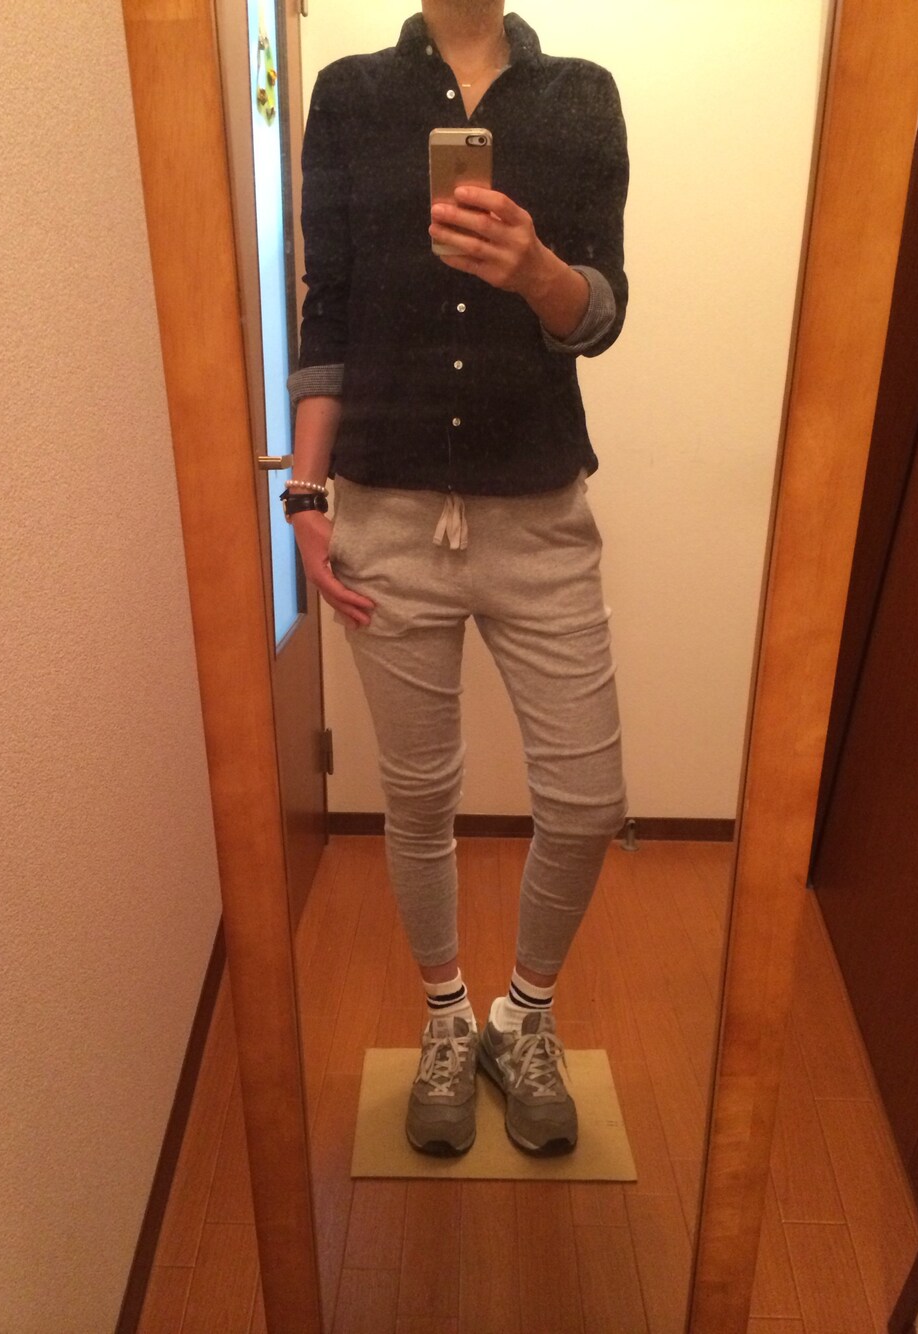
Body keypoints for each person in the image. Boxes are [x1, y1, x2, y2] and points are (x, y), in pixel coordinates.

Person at [284, 0, 629, 1157]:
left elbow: (603, 311)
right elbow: (328, 307)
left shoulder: (581, 95)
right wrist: (304, 497)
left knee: (586, 800)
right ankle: (444, 1015)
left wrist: (538, 272)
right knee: (419, 794)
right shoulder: (349, 94)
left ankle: (521, 1018)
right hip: (384, 510)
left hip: (538, 512)